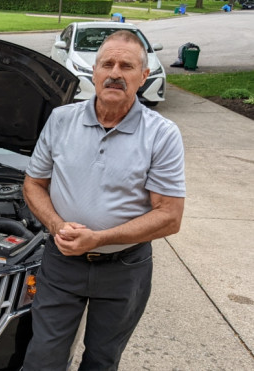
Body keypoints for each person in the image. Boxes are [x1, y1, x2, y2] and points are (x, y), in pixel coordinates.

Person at [22, 30, 186, 370]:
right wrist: (56, 226)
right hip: (61, 263)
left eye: (126, 66)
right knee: (43, 359)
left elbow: (169, 216)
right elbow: (34, 183)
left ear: (143, 77)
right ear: (93, 72)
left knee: (102, 360)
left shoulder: (162, 134)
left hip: (124, 269)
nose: (115, 73)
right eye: (106, 64)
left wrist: (99, 239)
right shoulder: (61, 120)